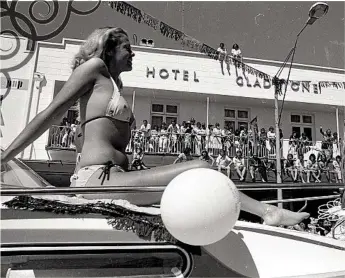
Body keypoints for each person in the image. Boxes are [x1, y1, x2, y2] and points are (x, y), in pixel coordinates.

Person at [1, 27, 309, 226]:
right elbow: (50, 114)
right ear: (109, 50)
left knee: (198, 184)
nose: (133, 53)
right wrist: (6, 156)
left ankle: (266, 213)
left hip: (115, 178)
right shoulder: (94, 69)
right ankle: (268, 212)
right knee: (202, 167)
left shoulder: (113, 84)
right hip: (96, 181)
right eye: (127, 48)